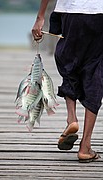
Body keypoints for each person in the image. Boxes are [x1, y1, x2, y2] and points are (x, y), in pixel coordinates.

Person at [32, 0, 103, 163]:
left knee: (68, 62)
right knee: (96, 71)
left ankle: (72, 119)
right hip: (99, 14)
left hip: (70, 11)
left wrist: (40, 16)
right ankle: (85, 147)